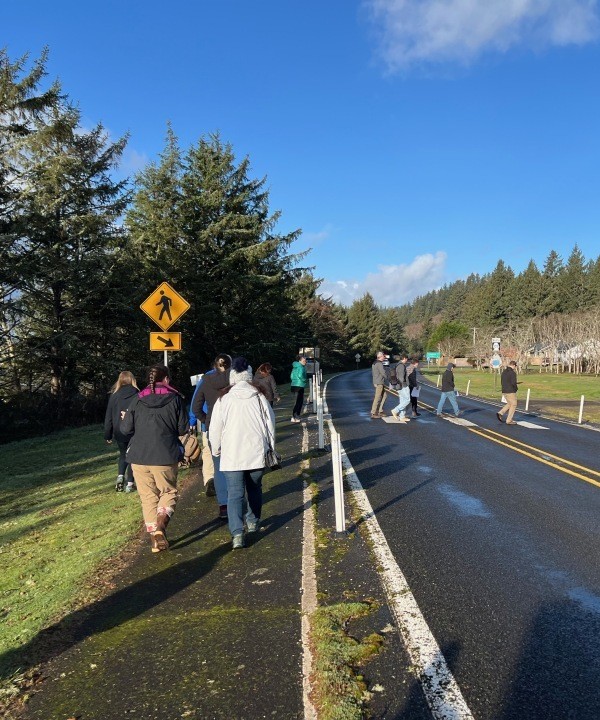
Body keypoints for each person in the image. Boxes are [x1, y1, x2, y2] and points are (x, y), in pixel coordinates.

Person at [121, 365, 188, 553]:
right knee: (168, 492)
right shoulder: (175, 399)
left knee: (148, 497)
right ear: (166, 379)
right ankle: (161, 527)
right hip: (165, 455)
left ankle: (154, 539)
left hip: (138, 456)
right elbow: (183, 428)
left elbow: (126, 430)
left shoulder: (136, 400)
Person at [209, 357, 275, 550]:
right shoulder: (259, 397)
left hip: (231, 454)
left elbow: (215, 428)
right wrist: (271, 446)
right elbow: (269, 425)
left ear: (233, 377)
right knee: (255, 488)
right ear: (249, 376)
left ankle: (237, 534)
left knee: (234, 495)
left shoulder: (224, 399)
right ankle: (253, 521)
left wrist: (216, 448)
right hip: (256, 452)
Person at [191, 354, 232, 520]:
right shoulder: (235, 381)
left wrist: (205, 420)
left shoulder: (205, 380)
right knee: (236, 466)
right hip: (232, 427)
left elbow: (195, 406)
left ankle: (224, 505)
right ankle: (237, 499)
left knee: (218, 466)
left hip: (212, 429)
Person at [104, 371, 139, 492]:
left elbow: (108, 417)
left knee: (123, 454)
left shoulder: (114, 396)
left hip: (119, 431)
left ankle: (120, 476)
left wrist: (107, 434)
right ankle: (130, 484)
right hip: (133, 430)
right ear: (132, 380)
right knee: (132, 456)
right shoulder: (137, 395)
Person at [189, 373, 215, 498]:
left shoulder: (205, 379)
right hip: (228, 423)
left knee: (208, 452)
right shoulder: (231, 376)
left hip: (208, 424)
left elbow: (195, 402)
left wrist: (193, 421)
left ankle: (210, 478)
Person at [497, 360, 519, 425]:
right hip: (510, 391)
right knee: (514, 404)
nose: (515, 368)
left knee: (510, 403)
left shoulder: (504, 372)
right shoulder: (512, 373)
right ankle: (509, 420)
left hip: (504, 390)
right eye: (515, 366)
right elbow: (513, 383)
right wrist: (516, 389)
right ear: (514, 365)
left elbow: (502, 381)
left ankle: (500, 413)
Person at [391, 354, 411, 423]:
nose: (407, 360)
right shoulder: (401, 366)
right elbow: (401, 377)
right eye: (407, 359)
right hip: (402, 386)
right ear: (404, 358)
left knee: (403, 401)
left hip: (399, 385)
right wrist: (405, 385)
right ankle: (395, 410)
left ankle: (402, 416)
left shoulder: (398, 365)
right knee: (408, 400)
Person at [370, 351, 389, 419]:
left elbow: (373, 374)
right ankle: (373, 412)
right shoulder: (379, 364)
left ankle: (380, 411)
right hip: (380, 383)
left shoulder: (374, 363)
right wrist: (389, 378)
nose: (384, 357)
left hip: (377, 382)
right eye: (383, 356)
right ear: (380, 357)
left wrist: (374, 382)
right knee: (377, 397)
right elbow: (383, 373)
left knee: (384, 395)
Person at [290, 355, 308, 423]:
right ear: (300, 361)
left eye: (305, 361)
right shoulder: (301, 367)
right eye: (304, 361)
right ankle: (296, 416)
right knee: (299, 402)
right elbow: (300, 376)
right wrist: (304, 380)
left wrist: (294, 380)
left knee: (296, 401)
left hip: (293, 385)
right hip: (299, 385)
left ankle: (294, 416)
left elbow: (291, 376)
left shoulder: (295, 367)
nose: (305, 362)